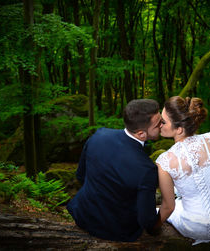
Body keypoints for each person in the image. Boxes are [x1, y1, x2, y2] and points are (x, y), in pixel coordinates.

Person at [67, 99, 162, 242]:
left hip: (82, 213)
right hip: (116, 230)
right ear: (141, 134)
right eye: (158, 124)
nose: (163, 125)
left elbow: (81, 176)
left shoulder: (99, 135)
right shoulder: (147, 169)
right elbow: (147, 221)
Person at [155, 96, 210, 246]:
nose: (159, 124)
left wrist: (152, 228)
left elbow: (169, 207)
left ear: (180, 129)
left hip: (195, 228)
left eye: (163, 121)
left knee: (159, 208)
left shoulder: (164, 161)